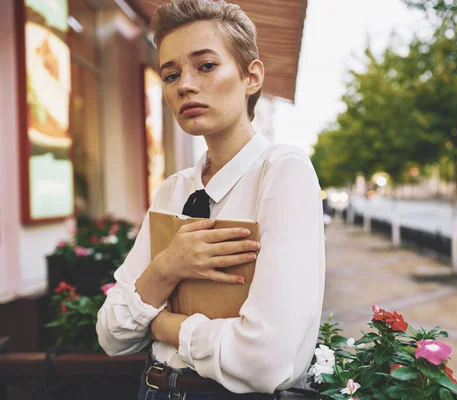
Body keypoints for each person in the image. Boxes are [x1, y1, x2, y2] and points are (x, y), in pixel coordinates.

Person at [95, 0, 326, 398]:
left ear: (251, 76)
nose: (184, 84)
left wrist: (165, 325)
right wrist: (167, 266)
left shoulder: (282, 171)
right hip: (151, 388)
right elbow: (111, 334)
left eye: (205, 66)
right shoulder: (173, 189)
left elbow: (267, 360)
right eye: (170, 74)